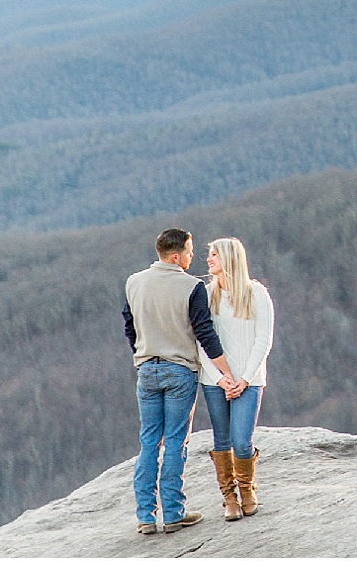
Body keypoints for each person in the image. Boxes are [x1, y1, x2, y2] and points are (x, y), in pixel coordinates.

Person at [123, 228, 238, 535]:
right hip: (180, 370)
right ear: (175, 257)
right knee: (175, 441)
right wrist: (225, 371)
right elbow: (204, 332)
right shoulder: (192, 287)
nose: (192, 257)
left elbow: (129, 326)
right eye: (189, 252)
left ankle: (146, 516)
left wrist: (144, 352)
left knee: (149, 441)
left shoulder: (134, 282)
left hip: (146, 369)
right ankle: (173, 513)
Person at [199, 236, 275, 520]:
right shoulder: (206, 295)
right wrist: (220, 379)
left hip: (249, 379)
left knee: (241, 441)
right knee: (221, 439)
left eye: (214, 255)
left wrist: (244, 378)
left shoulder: (256, 293)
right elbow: (199, 342)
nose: (208, 260)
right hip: (215, 381)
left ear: (230, 258)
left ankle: (247, 489)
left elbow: (263, 339)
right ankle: (229, 497)